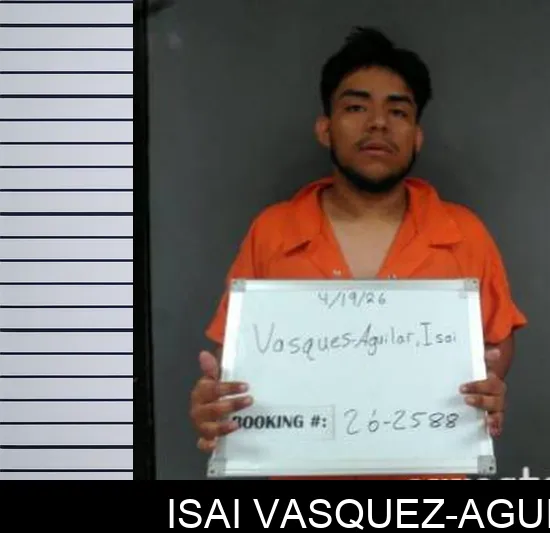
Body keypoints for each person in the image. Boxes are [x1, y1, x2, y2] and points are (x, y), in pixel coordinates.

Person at [189, 26, 527, 479]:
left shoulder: (463, 233)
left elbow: (497, 337)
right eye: (355, 107)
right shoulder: (273, 231)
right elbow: (233, 357)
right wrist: (215, 402)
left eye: (398, 111)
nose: (378, 123)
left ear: (417, 136)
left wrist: (491, 382)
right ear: (325, 128)